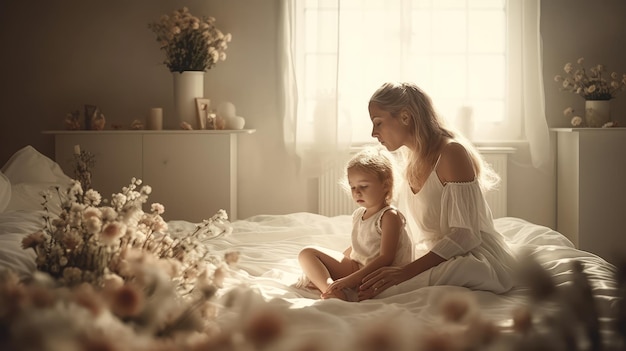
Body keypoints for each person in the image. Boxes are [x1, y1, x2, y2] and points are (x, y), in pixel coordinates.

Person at [358, 81, 517, 300]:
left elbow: (465, 235)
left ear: (405, 117)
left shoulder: (452, 152)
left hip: (470, 256)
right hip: (437, 253)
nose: (374, 133)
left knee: (384, 291)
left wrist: (406, 272)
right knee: (375, 281)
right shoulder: (411, 158)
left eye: (378, 123)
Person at [298, 147, 413, 301]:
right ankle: (330, 288)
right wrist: (330, 265)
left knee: (351, 278)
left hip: (379, 273)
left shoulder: (389, 216)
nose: (357, 192)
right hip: (358, 266)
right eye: (353, 187)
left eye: (364, 186)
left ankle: (335, 290)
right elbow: (358, 246)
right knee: (307, 253)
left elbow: (386, 257)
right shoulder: (359, 214)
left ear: (385, 185)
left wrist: (351, 279)